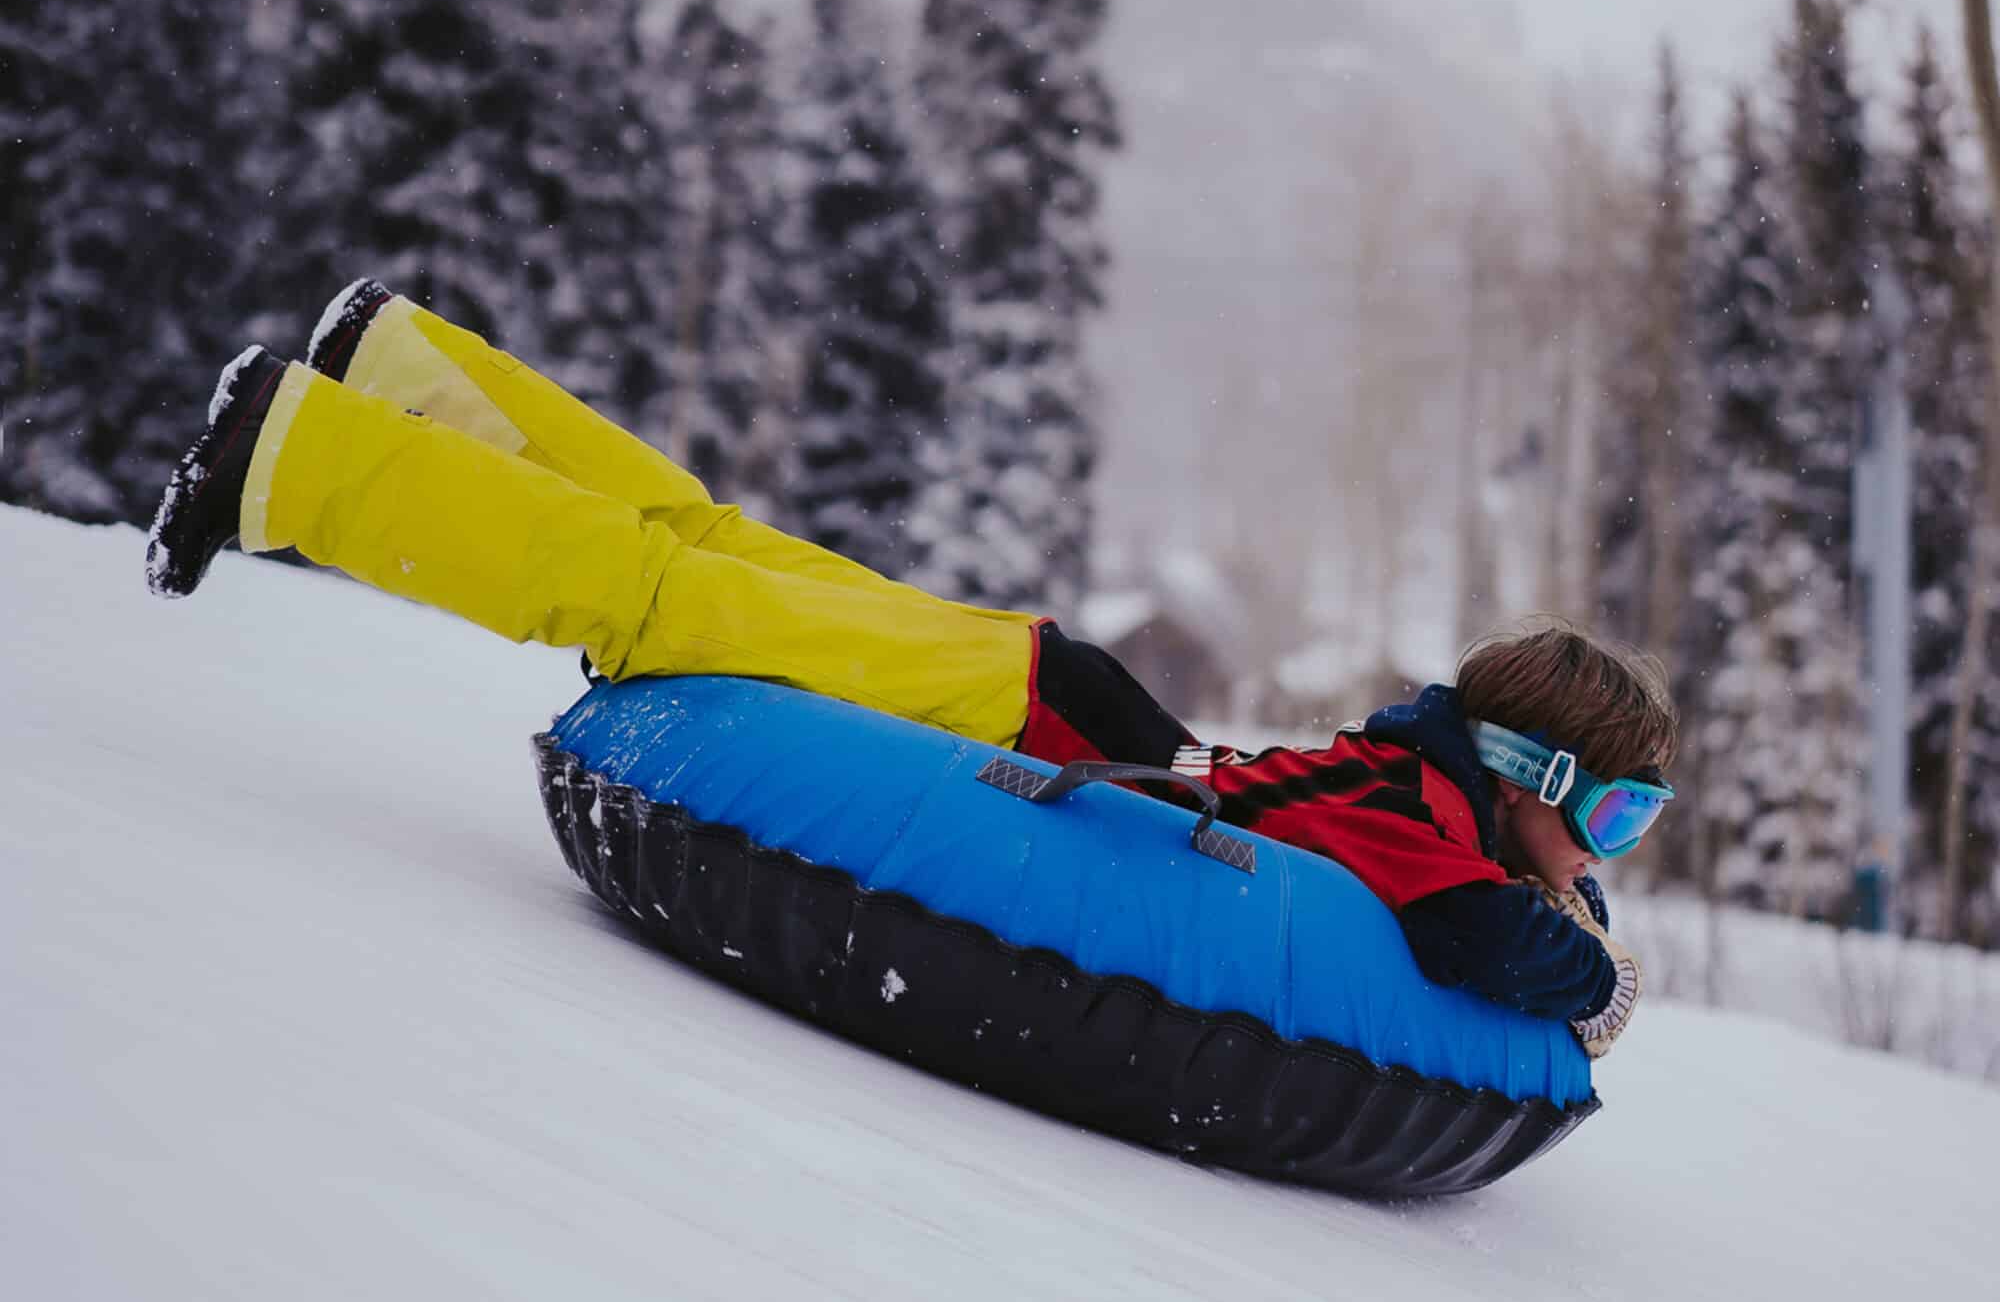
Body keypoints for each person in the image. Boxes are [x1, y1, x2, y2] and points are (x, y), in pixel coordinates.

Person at [147, 279, 1670, 1058]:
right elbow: (1489, 946)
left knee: (711, 550)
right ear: (1528, 772)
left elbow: (1501, 898)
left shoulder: (1422, 782)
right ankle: (298, 456)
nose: (1609, 856)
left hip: (1047, 686)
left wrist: (1568, 883)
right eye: (1610, 818)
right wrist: (1596, 964)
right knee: (661, 594)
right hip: (1030, 709)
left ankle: (404, 370)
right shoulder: (1425, 820)